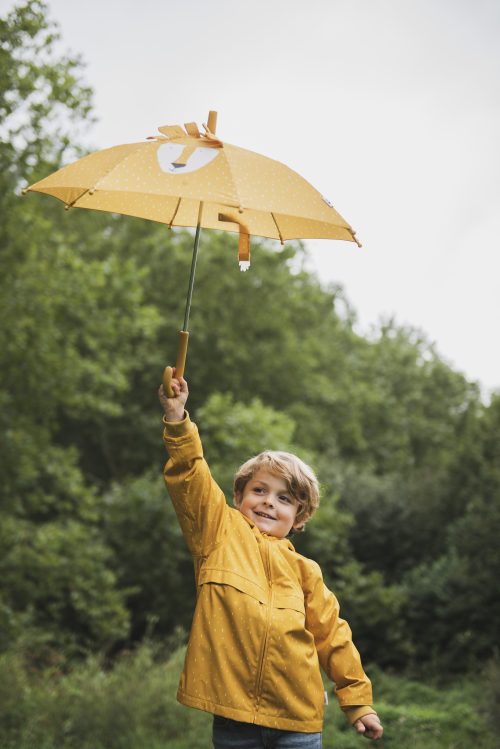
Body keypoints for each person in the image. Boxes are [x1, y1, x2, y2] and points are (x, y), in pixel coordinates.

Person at [159, 372, 384, 748]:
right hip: (234, 719)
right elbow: (190, 477)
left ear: (299, 517)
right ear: (239, 497)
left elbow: (333, 635)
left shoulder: (305, 571)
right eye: (259, 490)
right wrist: (177, 418)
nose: (268, 501)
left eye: (284, 498)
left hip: (298, 717)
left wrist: (358, 702)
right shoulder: (218, 533)